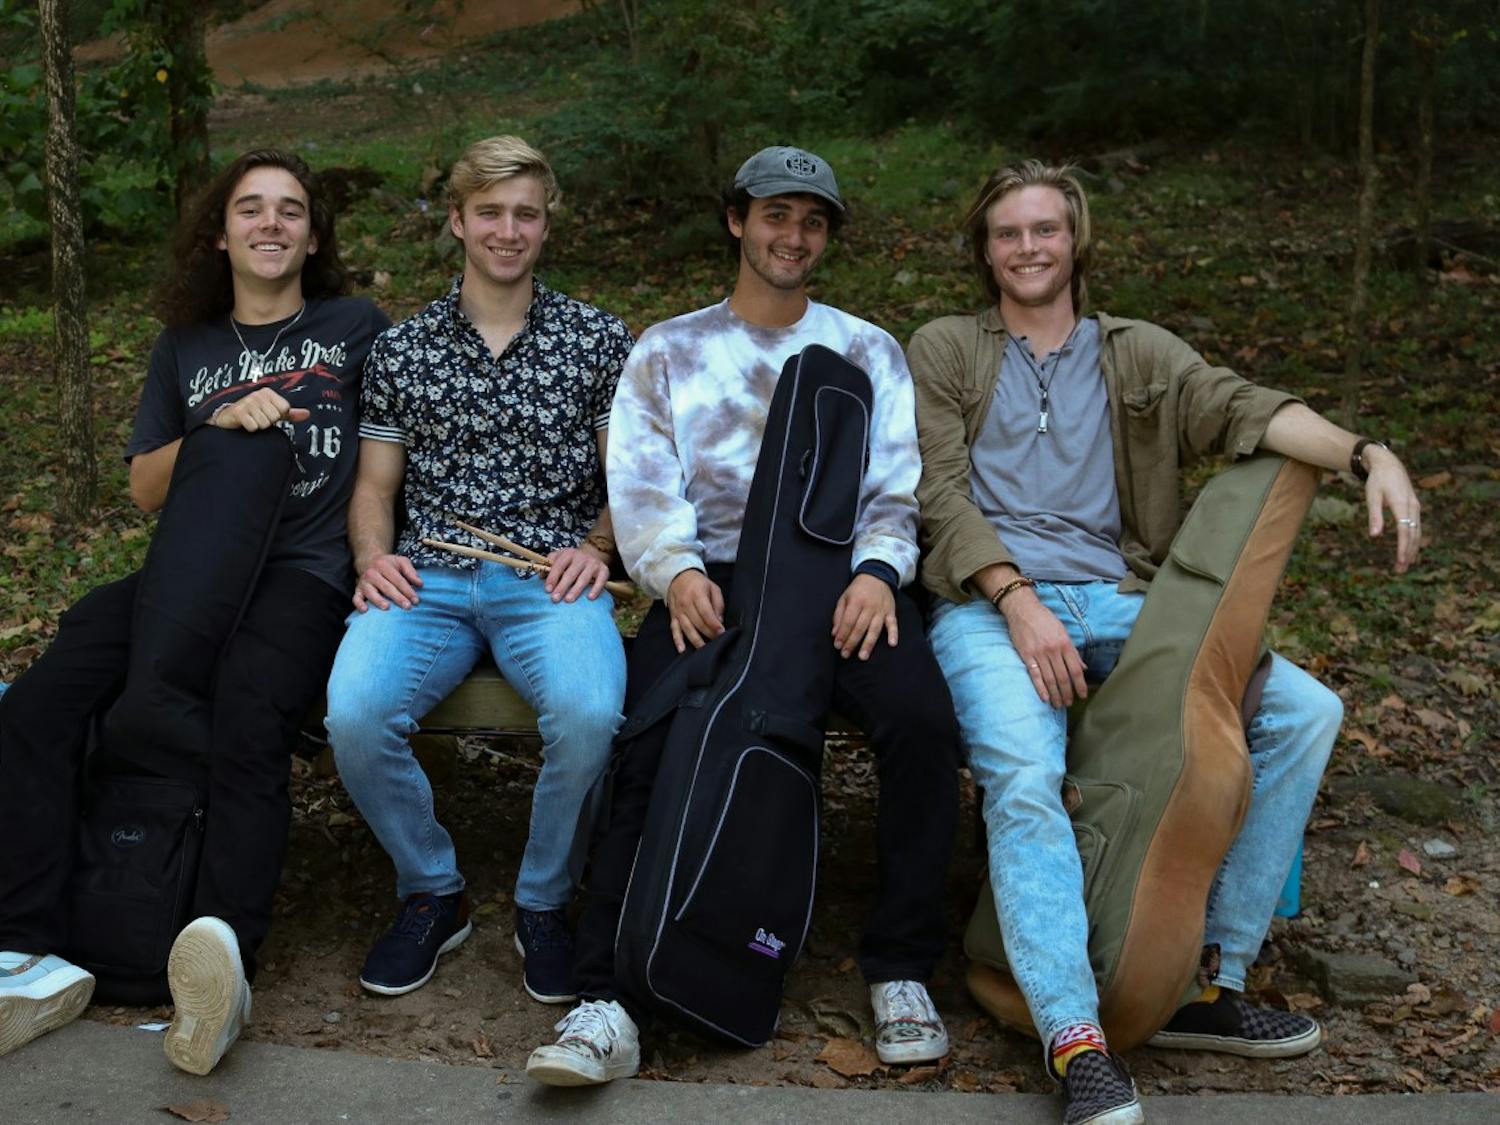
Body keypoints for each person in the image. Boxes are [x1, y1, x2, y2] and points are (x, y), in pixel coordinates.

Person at [909, 159, 1423, 1125]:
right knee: (1023, 772)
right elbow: (935, 492)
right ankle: (1075, 1037)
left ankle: (1207, 979)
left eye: (1045, 230)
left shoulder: (1136, 353)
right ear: (984, 250)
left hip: (1118, 600)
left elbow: (1248, 408)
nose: (1028, 248)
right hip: (990, 604)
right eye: (1008, 233)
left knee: (1305, 711)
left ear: (1077, 241)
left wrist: (1368, 454)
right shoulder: (943, 348)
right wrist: (1014, 597)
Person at [526, 145, 962, 1087]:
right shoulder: (669, 349)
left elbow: (895, 489)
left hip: (835, 584)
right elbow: (640, 484)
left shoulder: (866, 349)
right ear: (738, 222)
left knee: (923, 722)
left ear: (827, 237)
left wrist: (882, 573)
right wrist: (674, 572)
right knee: (643, 733)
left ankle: (900, 968)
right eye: (775, 215)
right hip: (712, 583)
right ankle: (604, 996)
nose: (792, 236)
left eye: (812, 221)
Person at [0, 148, 388, 1074]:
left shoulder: (355, 327)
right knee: (42, 700)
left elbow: (392, 445)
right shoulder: (188, 346)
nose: (270, 223)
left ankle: (222, 957)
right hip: (188, 571)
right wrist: (214, 421)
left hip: (303, 574)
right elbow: (142, 487)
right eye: (249, 208)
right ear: (218, 234)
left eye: (291, 210)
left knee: (250, 710)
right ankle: (23, 944)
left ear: (314, 234)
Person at [323, 136, 632, 1006]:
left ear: (546, 222)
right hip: (430, 578)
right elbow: (376, 483)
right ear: (457, 220)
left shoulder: (599, 339)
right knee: (355, 711)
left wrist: (598, 547)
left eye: (525, 213)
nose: (508, 230)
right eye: (490, 212)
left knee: (588, 710)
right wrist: (373, 558)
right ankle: (433, 887)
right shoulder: (405, 349)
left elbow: (628, 478)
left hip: (549, 576)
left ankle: (543, 899)